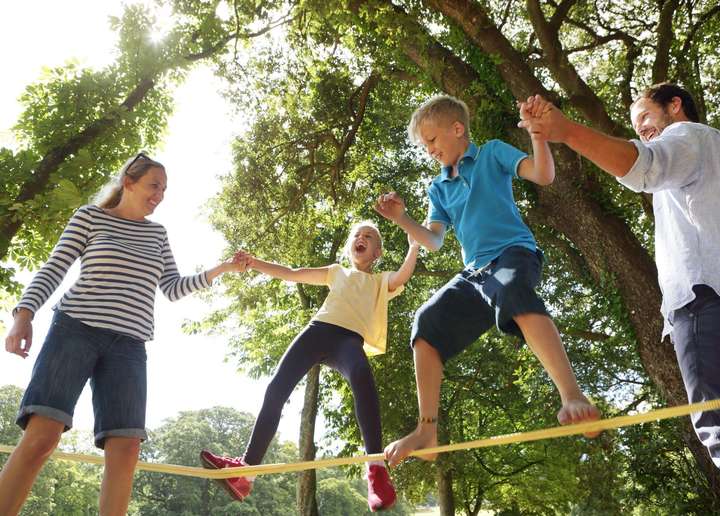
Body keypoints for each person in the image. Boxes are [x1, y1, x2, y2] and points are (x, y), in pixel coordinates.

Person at [518, 83, 720, 514]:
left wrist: (565, 130)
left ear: (674, 106)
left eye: (645, 120)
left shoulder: (689, 136)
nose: (642, 131)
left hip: (710, 304)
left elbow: (646, 164)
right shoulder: (717, 160)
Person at [0, 152, 247, 516]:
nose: (160, 194)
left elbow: (174, 287)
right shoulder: (90, 217)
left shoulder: (157, 235)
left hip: (129, 346)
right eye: (154, 185)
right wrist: (24, 314)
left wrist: (222, 268)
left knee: (127, 449)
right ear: (128, 182)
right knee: (43, 436)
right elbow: (54, 268)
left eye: (164, 189)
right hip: (75, 331)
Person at [375, 94, 600, 468]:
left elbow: (543, 175)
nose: (428, 149)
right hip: (474, 274)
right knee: (425, 323)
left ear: (457, 129)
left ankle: (573, 396)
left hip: (513, 254)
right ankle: (426, 429)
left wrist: (538, 135)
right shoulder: (438, 187)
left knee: (512, 291)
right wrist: (401, 219)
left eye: (431, 140)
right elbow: (433, 240)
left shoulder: (492, 153)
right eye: (423, 145)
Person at [200, 221, 420, 512]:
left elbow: (404, 274)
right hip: (316, 332)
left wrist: (415, 245)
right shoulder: (336, 272)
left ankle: (376, 470)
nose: (361, 238)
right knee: (276, 388)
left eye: (368, 237)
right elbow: (292, 274)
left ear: (376, 253)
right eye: (357, 235)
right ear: (350, 246)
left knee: (362, 376)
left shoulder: (380, 281)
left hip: (348, 341)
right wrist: (254, 263)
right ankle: (246, 471)